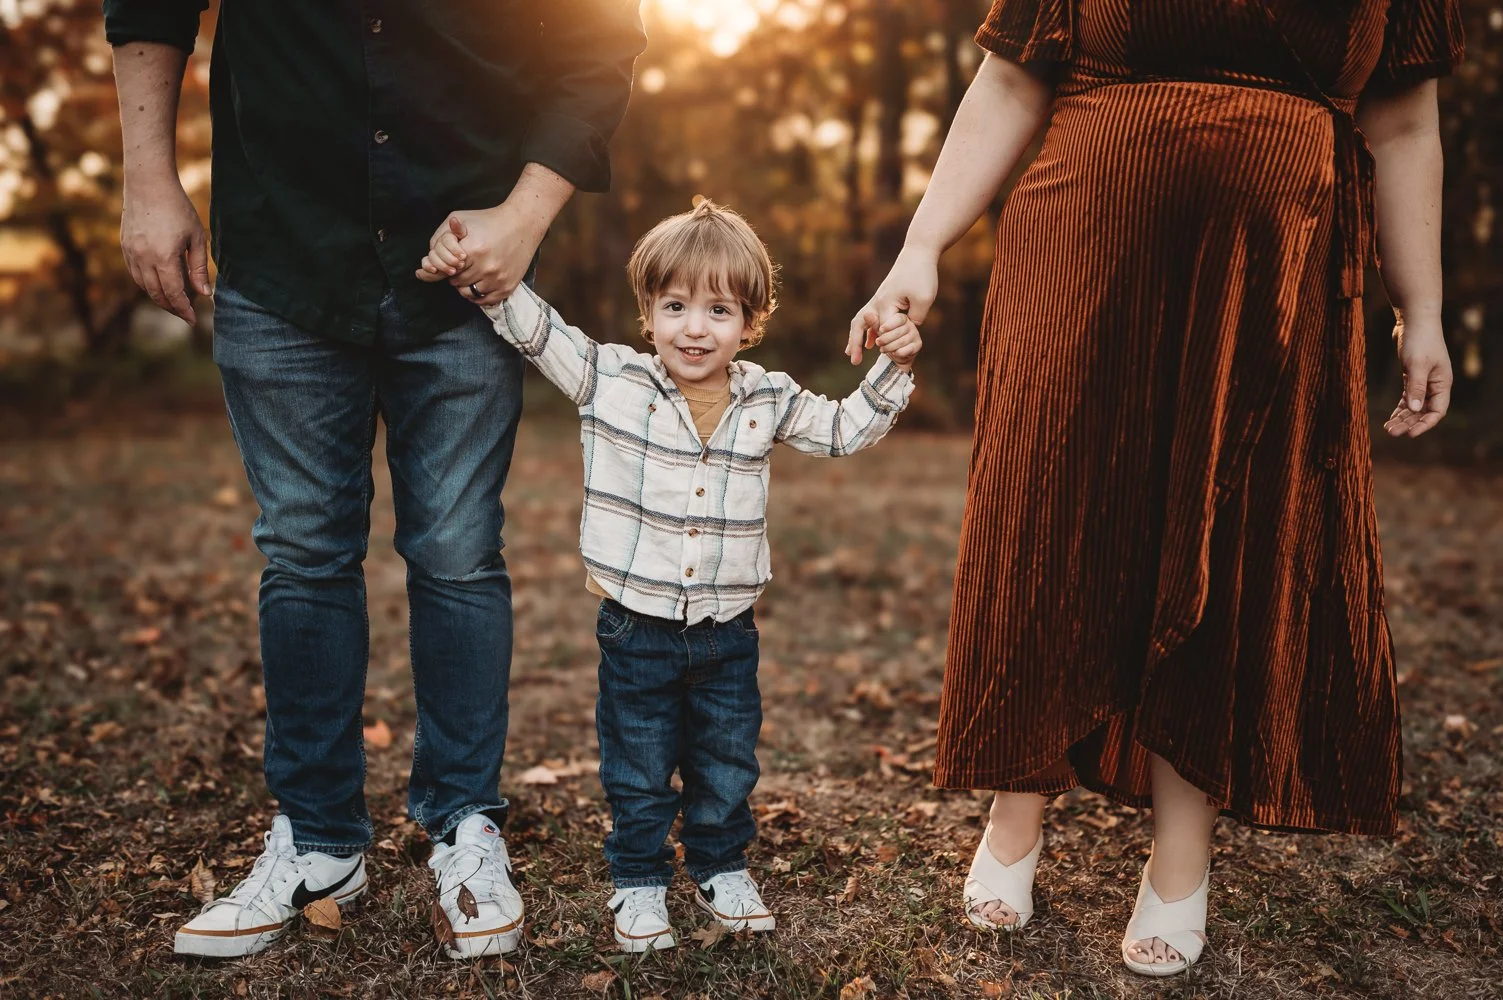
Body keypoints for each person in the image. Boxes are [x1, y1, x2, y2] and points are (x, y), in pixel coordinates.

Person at [847, 0, 1462, 978]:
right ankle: (1017, 807)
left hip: (1280, 269)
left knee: (1233, 531)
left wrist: (1420, 306)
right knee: (1053, 511)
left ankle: (1182, 857)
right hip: (1080, 242)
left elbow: (1401, 122)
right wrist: (921, 247)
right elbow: (1012, 77)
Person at [106, 0, 646, 959]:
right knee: (304, 552)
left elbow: (600, 40)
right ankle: (317, 840)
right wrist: (148, 179)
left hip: (466, 263)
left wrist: (523, 218)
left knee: (458, 554)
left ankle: (465, 824)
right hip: (283, 250)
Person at [421, 200, 919, 951]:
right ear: (647, 314)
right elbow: (534, 328)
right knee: (639, 761)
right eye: (675, 305)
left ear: (748, 324)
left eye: (718, 309)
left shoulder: (767, 397)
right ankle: (639, 879)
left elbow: (846, 430)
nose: (695, 327)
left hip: (727, 630)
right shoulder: (607, 378)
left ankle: (720, 865)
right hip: (635, 625)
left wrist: (895, 363)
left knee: (725, 760)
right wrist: (474, 267)